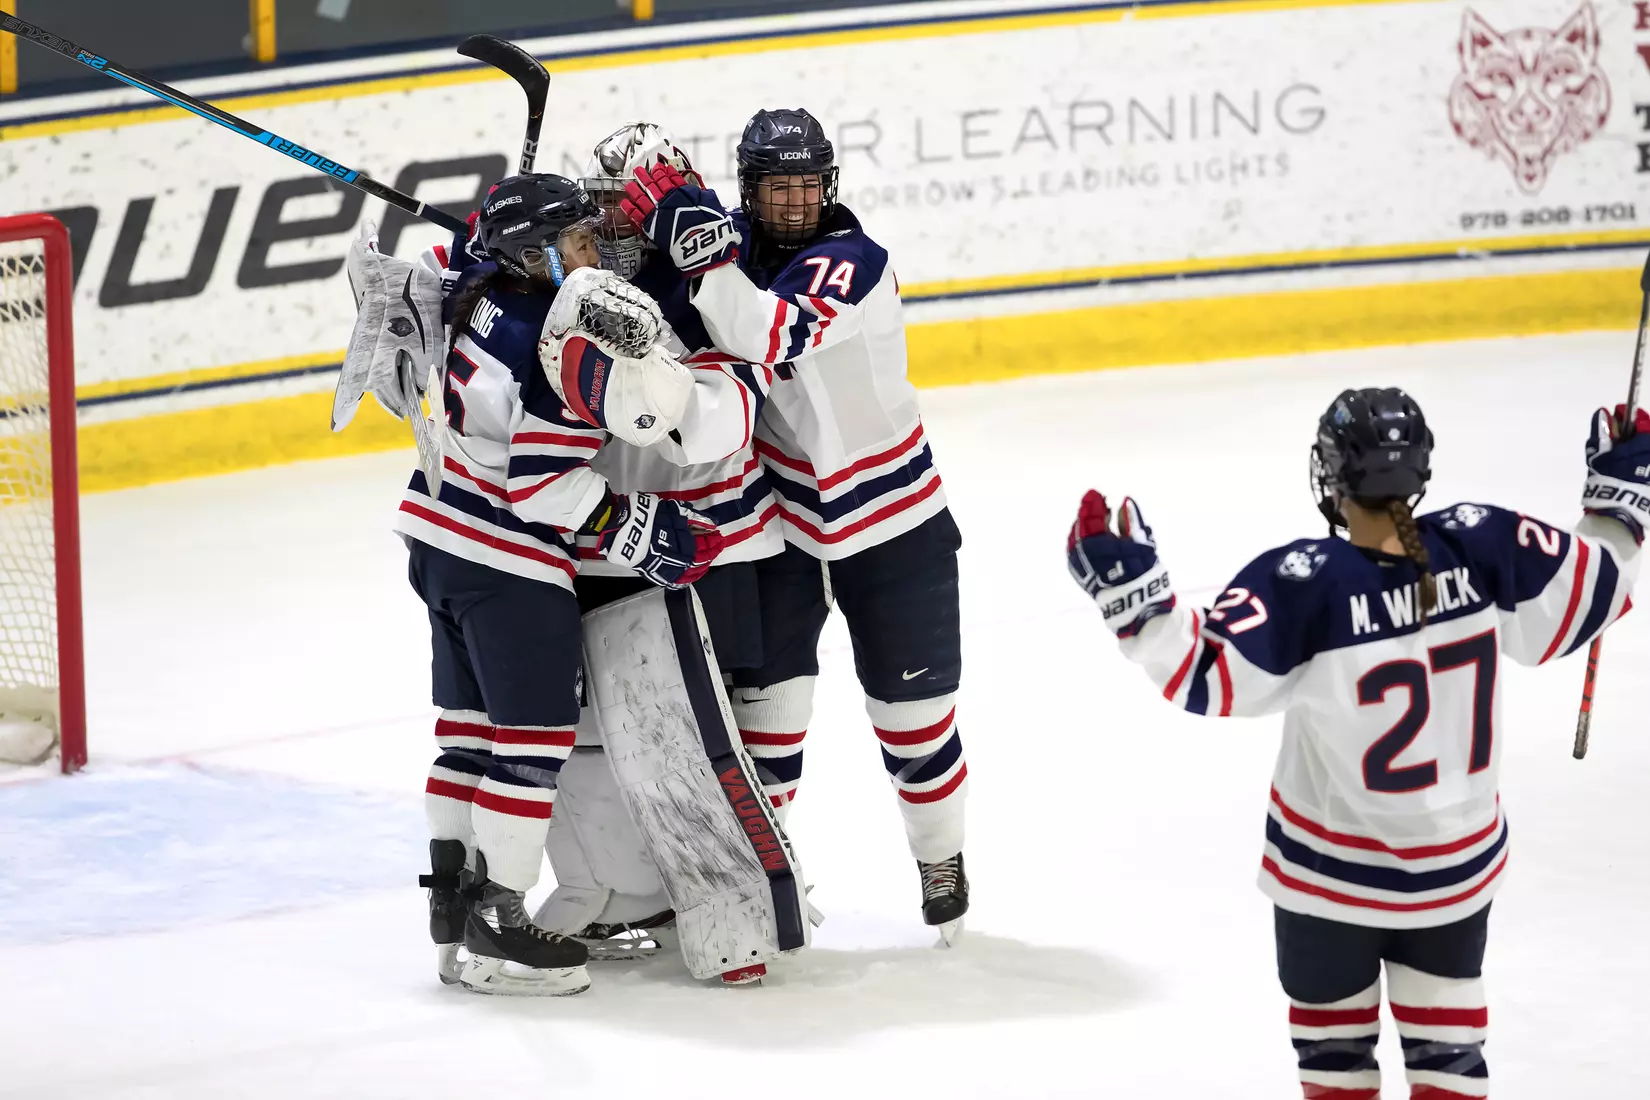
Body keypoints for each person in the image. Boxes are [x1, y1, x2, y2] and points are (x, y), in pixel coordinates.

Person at [1066, 387, 1647, 1099]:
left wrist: (1136, 602)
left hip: (1329, 882)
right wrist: (1620, 503)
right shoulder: (1484, 545)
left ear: (1334, 477)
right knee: (1450, 1060)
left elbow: (1205, 674)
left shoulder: (1307, 585)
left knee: (1335, 1064)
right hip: (1455, 876)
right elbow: (1598, 585)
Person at [620, 107, 970, 938]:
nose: (794, 201)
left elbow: (765, 331)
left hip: (895, 526)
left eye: (808, 184)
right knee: (767, 720)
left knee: (913, 719)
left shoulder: (854, 261)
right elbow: (669, 311)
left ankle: (940, 856)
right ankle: (765, 878)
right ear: (750, 189)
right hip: (783, 529)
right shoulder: (731, 246)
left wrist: (691, 234)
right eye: (777, 187)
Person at [387, 173, 725, 996]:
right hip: (507, 564)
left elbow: (451, 252)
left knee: (466, 737)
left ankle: (453, 913)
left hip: (437, 537)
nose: (591, 252)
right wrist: (638, 524)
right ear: (533, 255)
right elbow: (539, 486)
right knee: (533, 743)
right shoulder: (556, 342)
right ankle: (500, 923)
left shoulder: (473, 291)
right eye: (574, 240)